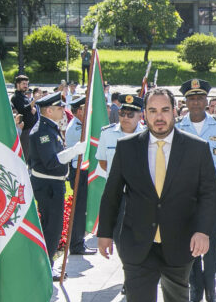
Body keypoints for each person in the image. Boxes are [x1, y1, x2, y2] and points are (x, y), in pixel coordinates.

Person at [98, 88, 216, 302]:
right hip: (138, 242)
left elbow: (208, 194)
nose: (159, 117)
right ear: (145, 114)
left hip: (180, 242)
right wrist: (104, 233)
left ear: (174, 111)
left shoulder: (197, 148)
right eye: (153, 111)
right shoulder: (128, 149)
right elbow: (112, 193)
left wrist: (203, 231)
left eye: (165, 110)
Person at [176, 78, 216, 302]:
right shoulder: (177, 127)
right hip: (186, 192)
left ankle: (210, 280)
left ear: (206, 101)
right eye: (192, 98)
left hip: (213, 190)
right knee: (189, 241)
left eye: (200, 98)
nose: (196, 102)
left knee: (213, 239)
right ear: (186, 102)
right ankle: (195, 289)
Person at [29, 93, 84, 275]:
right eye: (60, 108)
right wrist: (74, 151)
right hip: (48, 185)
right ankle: (47, 267)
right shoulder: (43, 132)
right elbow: (51, 162)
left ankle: (46, 262)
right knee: (52, 226)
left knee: (52, 225)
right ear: (49, 111)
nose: (63, 111)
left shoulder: (49, 128)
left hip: (51, 184)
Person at [64, 95, 94, 256]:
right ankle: (76, 244)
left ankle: (79, 242)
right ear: (79, 111)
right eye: (86, 108)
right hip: (78, 171)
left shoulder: (80, 125)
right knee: (79, 209)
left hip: (82, 170)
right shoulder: (76, 128)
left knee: (82, 209)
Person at [96, 94, 143, 174]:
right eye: (122, 114)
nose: (125, 118)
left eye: (130, 114)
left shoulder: (147, 134)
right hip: (115, 185)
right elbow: (103, 162)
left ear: (140, 116)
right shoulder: (107, 133)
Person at [10, 75, 37, 160]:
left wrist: (33, 108)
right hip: (24, 129)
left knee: (30, 152)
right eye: (23, 84)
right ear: (18, 84)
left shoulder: (24, 96)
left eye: (27, 84)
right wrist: (34, 101)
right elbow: (23, 110)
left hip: (30, 128)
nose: (26, 86)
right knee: (25, 154)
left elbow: (29, 108)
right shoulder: (16, 97)